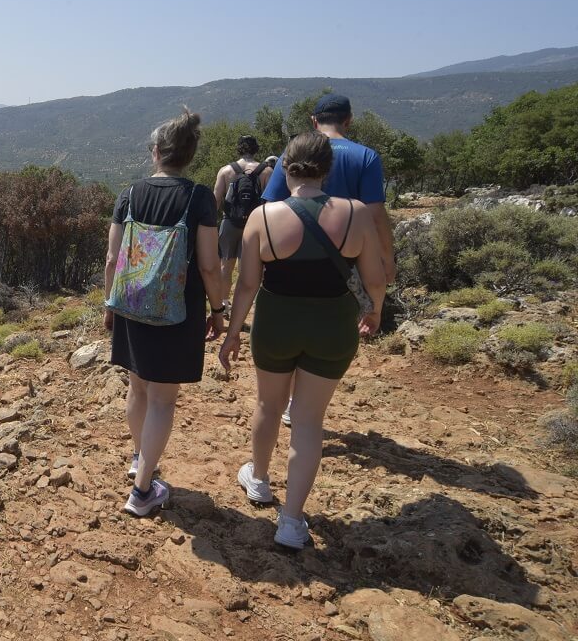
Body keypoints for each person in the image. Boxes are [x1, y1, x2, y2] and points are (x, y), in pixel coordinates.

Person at [218, 132, 386, 549]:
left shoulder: (263, 216)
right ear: (327, 168)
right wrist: (374, 311)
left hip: (277, 323)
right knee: (309, 422)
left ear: (287, 167)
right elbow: (375, 278)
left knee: (267, 405)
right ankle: (292, 523)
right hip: (332, 326)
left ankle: (258, 480)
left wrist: (233, 332)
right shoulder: (357, 213)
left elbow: (247, 286)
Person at [103, 110, 226, 517]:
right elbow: (209, 265)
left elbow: (112, 258)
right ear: (188, 156)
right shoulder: (199, 197)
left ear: (156, 152)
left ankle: (142, 458)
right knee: (162, 401)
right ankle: (141, 493)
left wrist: (110, 306)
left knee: (138, 389)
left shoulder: (129, 195)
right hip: (178, 311)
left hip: (132, 305)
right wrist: (218, 310)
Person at [263, 93, 395, 426]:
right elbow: (377, 215)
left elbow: (269, 207)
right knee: (328, 335)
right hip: (345, 263)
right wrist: (385, 257)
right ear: (349, 120)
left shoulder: (292, 155)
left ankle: (292, 400)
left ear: (313, 121)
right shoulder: (366, 157)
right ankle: (305, 405)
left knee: (292, 332)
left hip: (291, 262)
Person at [213, 135, 272, 299]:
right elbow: (271, 202)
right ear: (256, 149)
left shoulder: (226, 171)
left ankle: (224, 303)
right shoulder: (266, 171)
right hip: (255, 224)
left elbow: (216, 200)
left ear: (239, 149)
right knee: (248, 267)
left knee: (226, 265)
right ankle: (245, 304)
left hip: (229, 223)